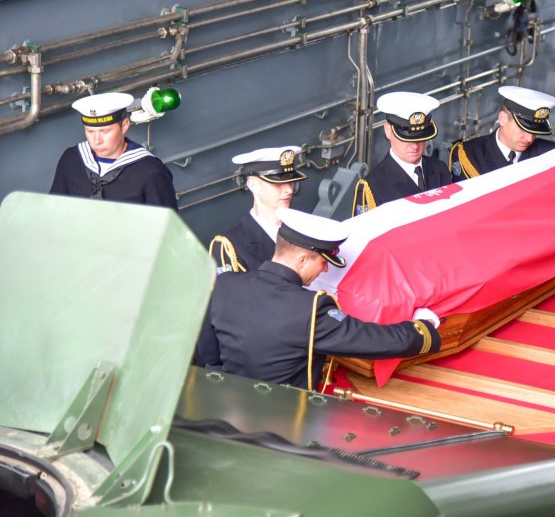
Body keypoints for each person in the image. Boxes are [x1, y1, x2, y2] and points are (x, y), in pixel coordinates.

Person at [194, 208, 441, 391]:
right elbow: (377, 340)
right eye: (323, 262)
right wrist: (423, 328)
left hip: (227, 410)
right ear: (301, 259)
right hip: (286, 426)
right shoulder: (309, 309)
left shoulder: (224, 285)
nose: (324, 271)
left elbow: (209, 357)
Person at [50, 92, 178, 209]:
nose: (97, 140)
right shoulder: (72, 159)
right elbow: (55, 210)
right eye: (90, 131)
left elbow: (166, 227)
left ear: (124, 126)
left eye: (105, 131)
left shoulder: (150, 171)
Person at [209, 146, 306, 273]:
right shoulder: (231, 246)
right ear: (253, 185)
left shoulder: (304, 230)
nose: (289, 190)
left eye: (291, 182)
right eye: (278, 183)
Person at [352, 91, 451, 215]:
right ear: (388, 130)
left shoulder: (440, 169)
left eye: (420, 138)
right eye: (406, 139)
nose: (415, 146)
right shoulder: (373, 187)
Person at [449, 85, 555, 181]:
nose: (529, 139)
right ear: (502, 119)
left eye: (534, 132)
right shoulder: (469, 154)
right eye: (522, 129)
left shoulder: (554, 154)